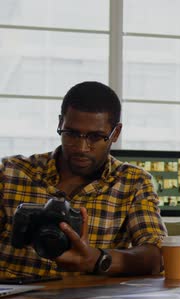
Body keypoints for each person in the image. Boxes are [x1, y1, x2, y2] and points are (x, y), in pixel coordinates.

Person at [0, 81, 167, 278]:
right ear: (60, 123)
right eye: (71, 133)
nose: (81, 147)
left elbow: (157, 256)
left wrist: (96, 260)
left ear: (116, 133)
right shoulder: (10, 173)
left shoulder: (133, 183)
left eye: (95, 136)